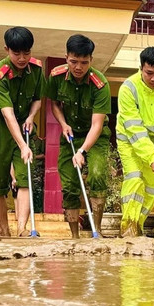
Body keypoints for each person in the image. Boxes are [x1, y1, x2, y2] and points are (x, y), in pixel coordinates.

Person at [47, 34, 111, 239]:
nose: (78, 67)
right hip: (70, 135)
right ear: (66, 57)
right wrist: (63, 123)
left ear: (91, 60)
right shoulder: (56, 76)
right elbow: (55, 104)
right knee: (69, 185)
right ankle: (74, 236)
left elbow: (97, 125)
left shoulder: (100, 83)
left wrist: (83, 151)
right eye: (74, 61)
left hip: (95, 136)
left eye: (84, 62)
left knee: (98, 173)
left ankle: (97, 231)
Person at [0, 26, 44, 237]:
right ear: (6, 49)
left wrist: (31, 116)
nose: (22, 58)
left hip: (24, 124)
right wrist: (22, 145)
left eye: (26, 53)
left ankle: (22, 228)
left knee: (25, 176)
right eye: (16, 53)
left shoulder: (36, 69)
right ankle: (4, 229)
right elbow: (7, 114)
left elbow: (37, 99)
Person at [116, 47, 154, 237]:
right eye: (149, 73)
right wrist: (151, 156)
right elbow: (134, 128)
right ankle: (128, 228)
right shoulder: (128, 88)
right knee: (134, 179)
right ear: (140, 68)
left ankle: (138, 226)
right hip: (130, 140)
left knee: (152, 188)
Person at [30, 125, 45, 213]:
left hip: (38, 169)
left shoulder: (40, 141)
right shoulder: (27, 140)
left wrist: (33, 156)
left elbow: (44, 155)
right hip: (30, 167)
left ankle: (38, 210)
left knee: (38, 190)